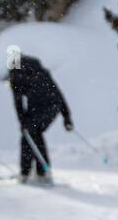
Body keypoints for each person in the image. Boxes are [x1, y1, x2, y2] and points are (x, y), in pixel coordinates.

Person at [5, 54, 73, 183]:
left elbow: (18, 102)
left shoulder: (15, 75)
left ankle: (27, 173)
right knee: (35, 134)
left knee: (28, 136)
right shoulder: (41, 70)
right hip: (54, 106)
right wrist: (66, 116)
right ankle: (42, 171)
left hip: (38, 107)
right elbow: (58, 93)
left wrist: (22, 122)